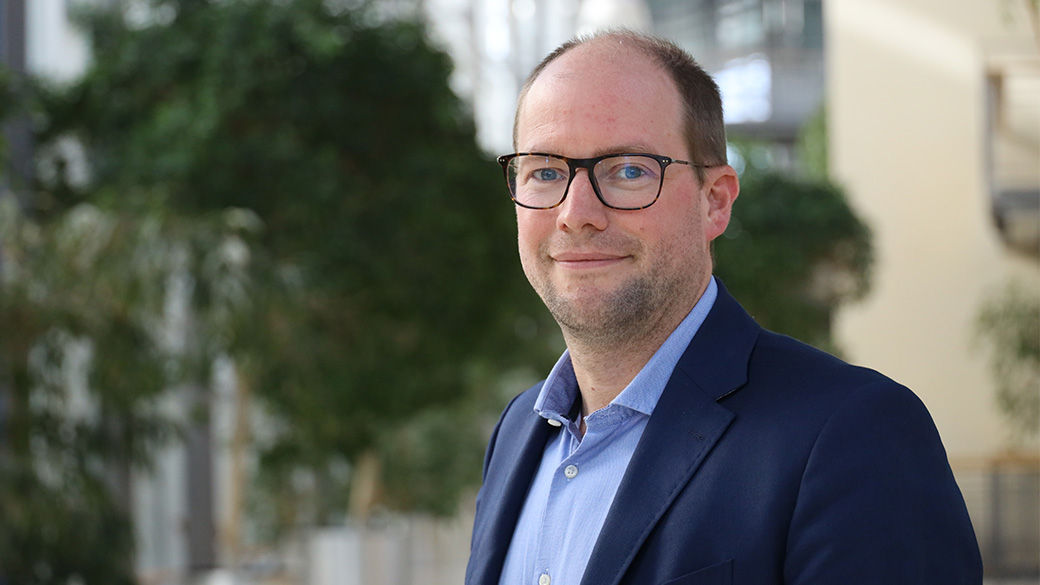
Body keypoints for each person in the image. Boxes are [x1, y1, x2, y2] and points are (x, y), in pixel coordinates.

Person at [464, 30, 982, 585]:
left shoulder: (856, 436)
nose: (576, 214)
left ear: (715, 201)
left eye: (629, 170)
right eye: (545, 172)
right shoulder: (517, 432)